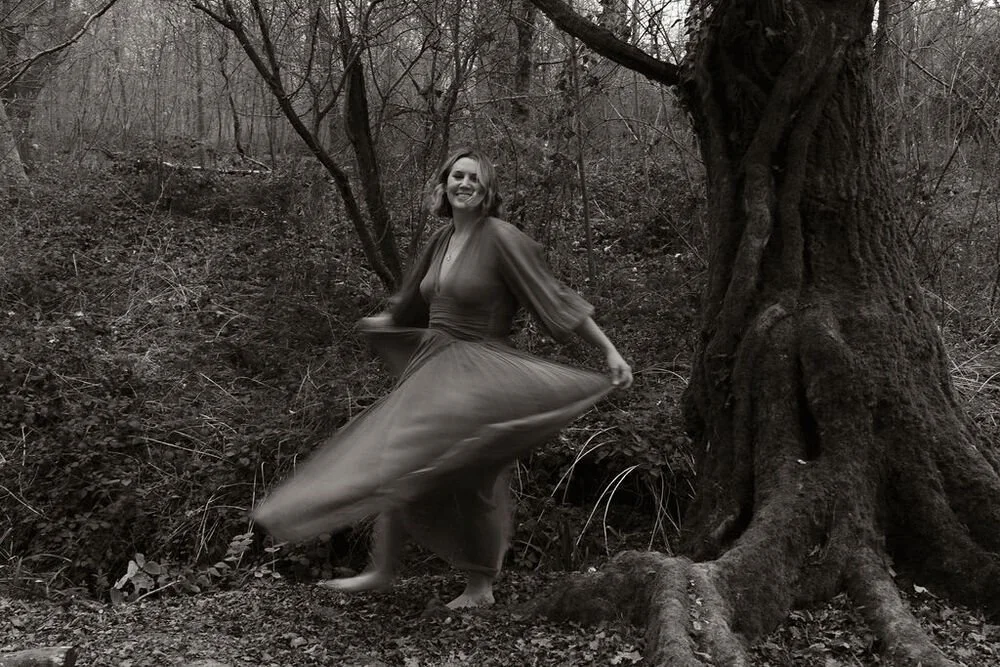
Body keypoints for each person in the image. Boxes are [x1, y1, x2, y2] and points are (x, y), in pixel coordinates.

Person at [253, 147, 632, 608]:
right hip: (433, 366)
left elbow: (554, 298)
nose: (464, 184)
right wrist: (385, 323)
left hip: (480, 369)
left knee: (470, 473)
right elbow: (414, 299)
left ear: (487, 189)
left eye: (474, 177)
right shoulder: (441, 238)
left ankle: (479, 586)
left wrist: (608, 349)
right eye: (457, 176)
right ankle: (382, 569)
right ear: (444, 184)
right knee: (401, 456)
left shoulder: (501, 238)